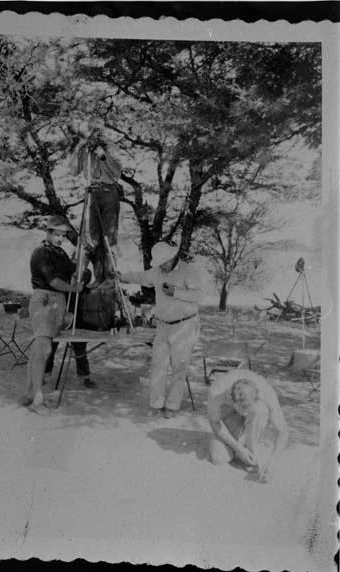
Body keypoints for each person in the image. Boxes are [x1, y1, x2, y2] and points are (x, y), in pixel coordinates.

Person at [118, 242, 201, 419]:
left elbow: (199, 296)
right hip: (162, 326)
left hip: (184, 326)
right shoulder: (156, 272)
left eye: (166, 261)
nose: (163, 265)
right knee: (158, 366)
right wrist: (121, 277)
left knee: (179, 367)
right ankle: (156, 404)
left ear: (173, 256)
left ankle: (171, 406)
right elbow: (140, 276)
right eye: (160, 262)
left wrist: (176, 292)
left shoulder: (189, 271)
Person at [24, 215, 91, 415]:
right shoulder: (40, 253)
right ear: (49, 232)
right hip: (44, 301)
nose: (61, 239)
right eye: (58, 235)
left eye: (63, 236)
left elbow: (76, 271)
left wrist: (83, 256)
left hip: (59, 303)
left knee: (40, 350)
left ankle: (31, 394)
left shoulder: (60, 252)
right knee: (43, 350)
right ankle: (37, 399)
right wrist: (73, 288)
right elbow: (53, 281)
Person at [207, 369, 288, 482]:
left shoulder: (265, 390)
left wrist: (272, 463)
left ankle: (252, 451)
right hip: (230, 416)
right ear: (231, 398)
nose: (245, 414)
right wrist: (238, 448)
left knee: (259, 410)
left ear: (257, 393)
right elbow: (214, 422)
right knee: (218, 458)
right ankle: (244, 446)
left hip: (256, 414)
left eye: (247, 409)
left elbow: (282, 430)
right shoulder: (216, 392)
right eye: (243, 409)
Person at [69, 122, 122, 286]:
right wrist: (78, 148)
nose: (94, 137)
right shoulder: (84, 151)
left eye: (97, 133)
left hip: (109, 192)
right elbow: (73, 171)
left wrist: (103, 156)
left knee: (109, 238)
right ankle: (99, 277)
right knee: (94, 239)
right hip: (92, 192)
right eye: (90, 134)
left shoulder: (110, 147)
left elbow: (117, 173)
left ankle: (110, 278)